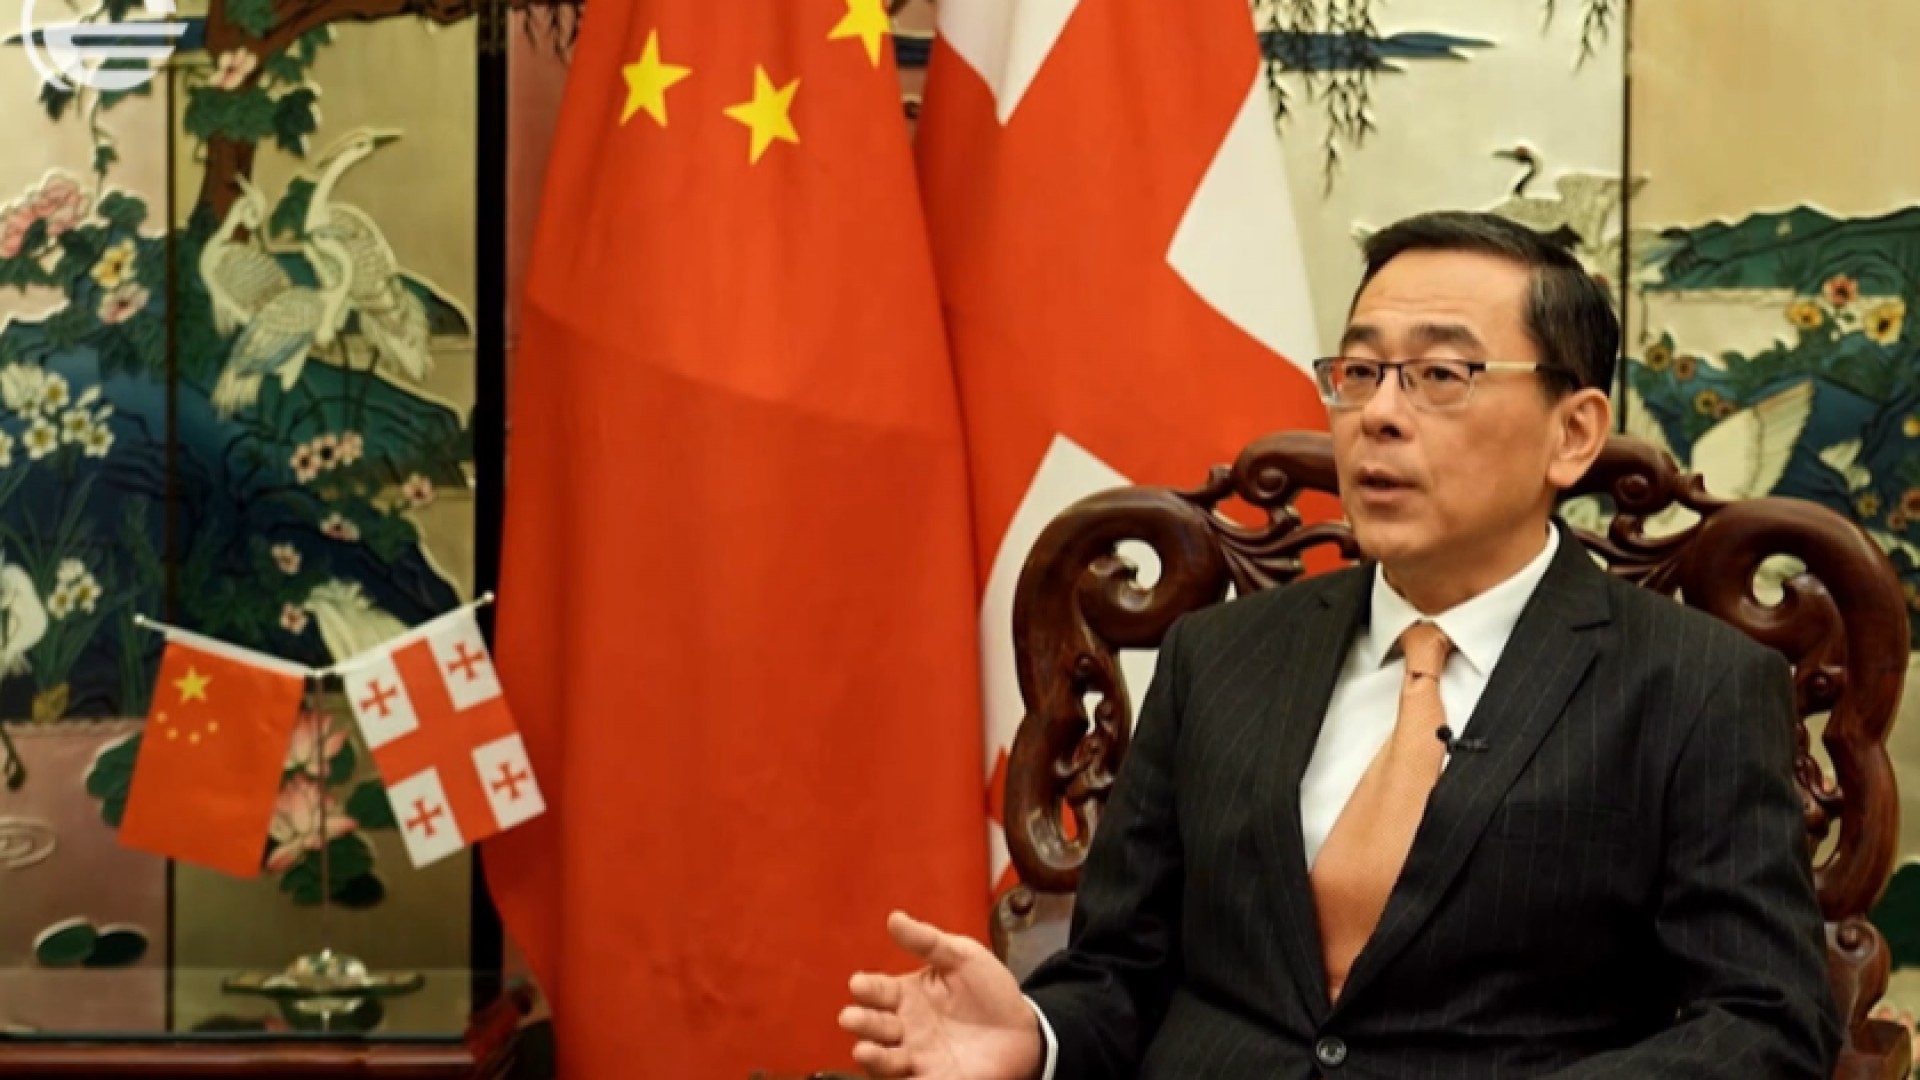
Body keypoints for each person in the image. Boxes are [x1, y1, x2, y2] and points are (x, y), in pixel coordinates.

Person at [837, 210, 1842, 1079]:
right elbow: (1122, 973)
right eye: (1360, 373)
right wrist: (1037, 1035)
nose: (1380, 417)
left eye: (1440, 375)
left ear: (1572, 433)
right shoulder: (1216, 657)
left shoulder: (1696, 687)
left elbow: (1762, 1024)